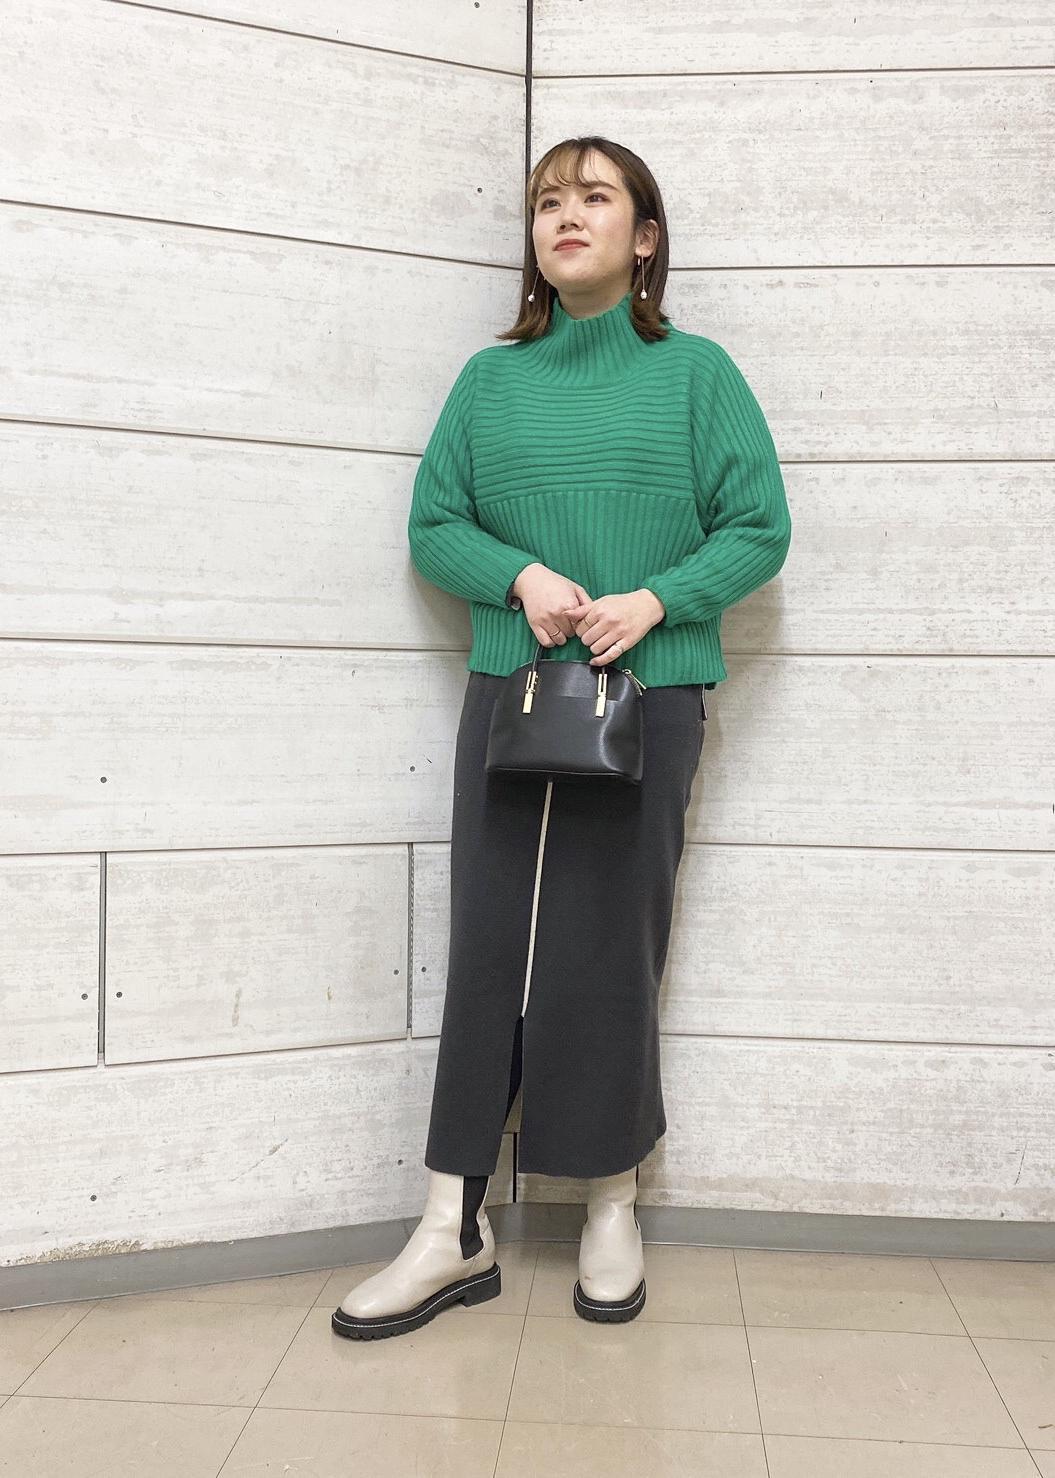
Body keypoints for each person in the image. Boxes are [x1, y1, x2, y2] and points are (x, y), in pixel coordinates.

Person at [332, 136, 792, 1341]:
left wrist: (657, 600)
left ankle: (608, 1200)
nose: (565, 215)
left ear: (644, 237)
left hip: (648, 698)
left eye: (594, 197)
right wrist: (520, 575)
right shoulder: (488, 382)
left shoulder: (696, 375)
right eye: (547, 200)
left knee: (609, 946)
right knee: (488, 942)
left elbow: (757, 526)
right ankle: (450, 1222)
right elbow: (433, 523)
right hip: (514, 692)